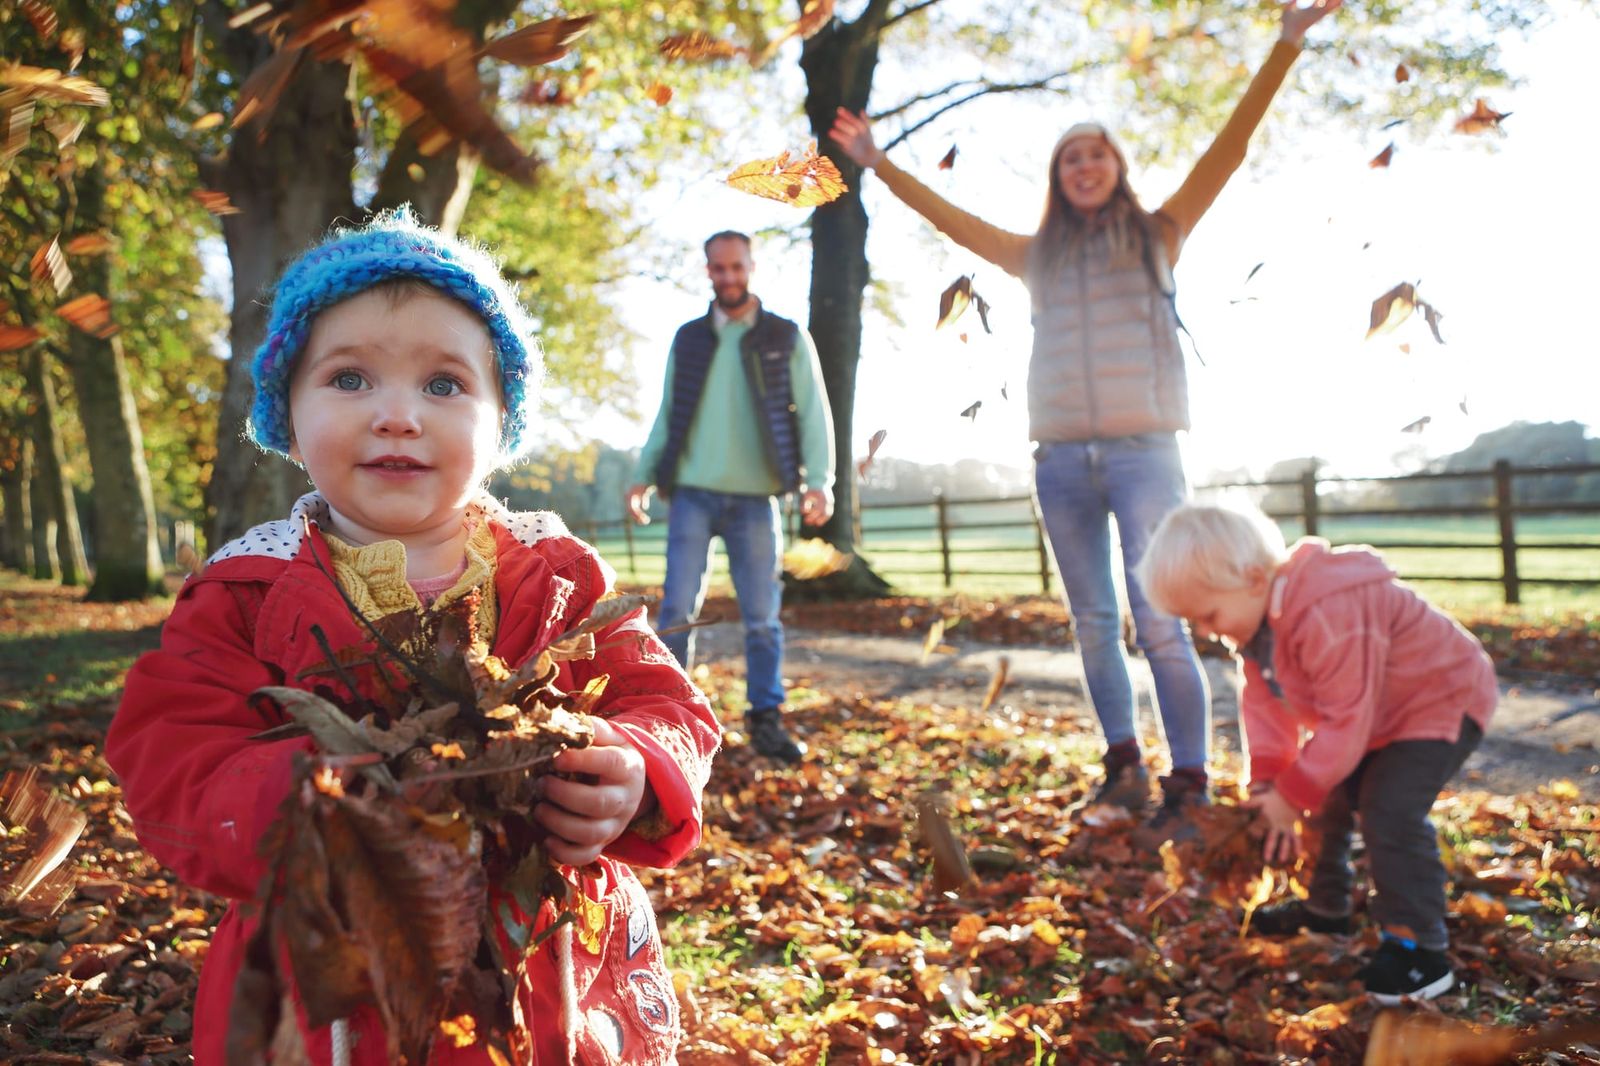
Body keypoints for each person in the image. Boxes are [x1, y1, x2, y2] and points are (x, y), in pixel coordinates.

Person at [105, 210, 720, 1065]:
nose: (398, 416)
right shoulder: (246, 587)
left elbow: (663, 701)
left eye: (443, 385)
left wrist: (632, 769)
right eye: (350, 379)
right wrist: (304, 809)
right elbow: (173, 748)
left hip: (540, 954)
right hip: (334, 959)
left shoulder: (556, 570)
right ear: (288, 410)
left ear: (500, 420)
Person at [827, 0, 1343, 834]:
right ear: (1057, 177)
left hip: (1146, 454)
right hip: (1060, 460)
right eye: (1070, 157)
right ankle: (1122, 768)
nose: (1084, 164)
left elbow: (1230, 150)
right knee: (1095, 621)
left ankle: (1188, 784)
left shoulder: (1158, 235)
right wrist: (877, 163)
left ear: (1117, 166)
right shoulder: (1036, 256)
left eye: (1097, 153)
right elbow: (950, 223)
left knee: (1164, 618)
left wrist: (1284, 47)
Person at [1136, 501, 1496, 1003]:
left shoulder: (1329, 607)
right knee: (1322, 798)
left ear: (1254, 577)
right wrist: (1268, 786)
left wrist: (1291, 795)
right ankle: (1327, 911)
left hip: (1439, 701)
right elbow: (1265, 711)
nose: (1205, 631)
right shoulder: (1260, 633)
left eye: (1209, 615)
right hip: (1375, 715)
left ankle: (1419, 951)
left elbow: (1346, 723)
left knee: (1388, 811)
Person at [626, 231, 836, 765]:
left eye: (736, 267)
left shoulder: (784, 336)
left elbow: (813, 411)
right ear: (708, 271)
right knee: (677, 608)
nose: (728, 277)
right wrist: (643, 474)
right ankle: (668, 716)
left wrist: (821, 481)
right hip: (692, 493)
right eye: (718, 269)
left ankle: (765, 718)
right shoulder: (690, 337)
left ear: (751, 266)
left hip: (756, 499)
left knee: (762, 616)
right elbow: (669, 408)